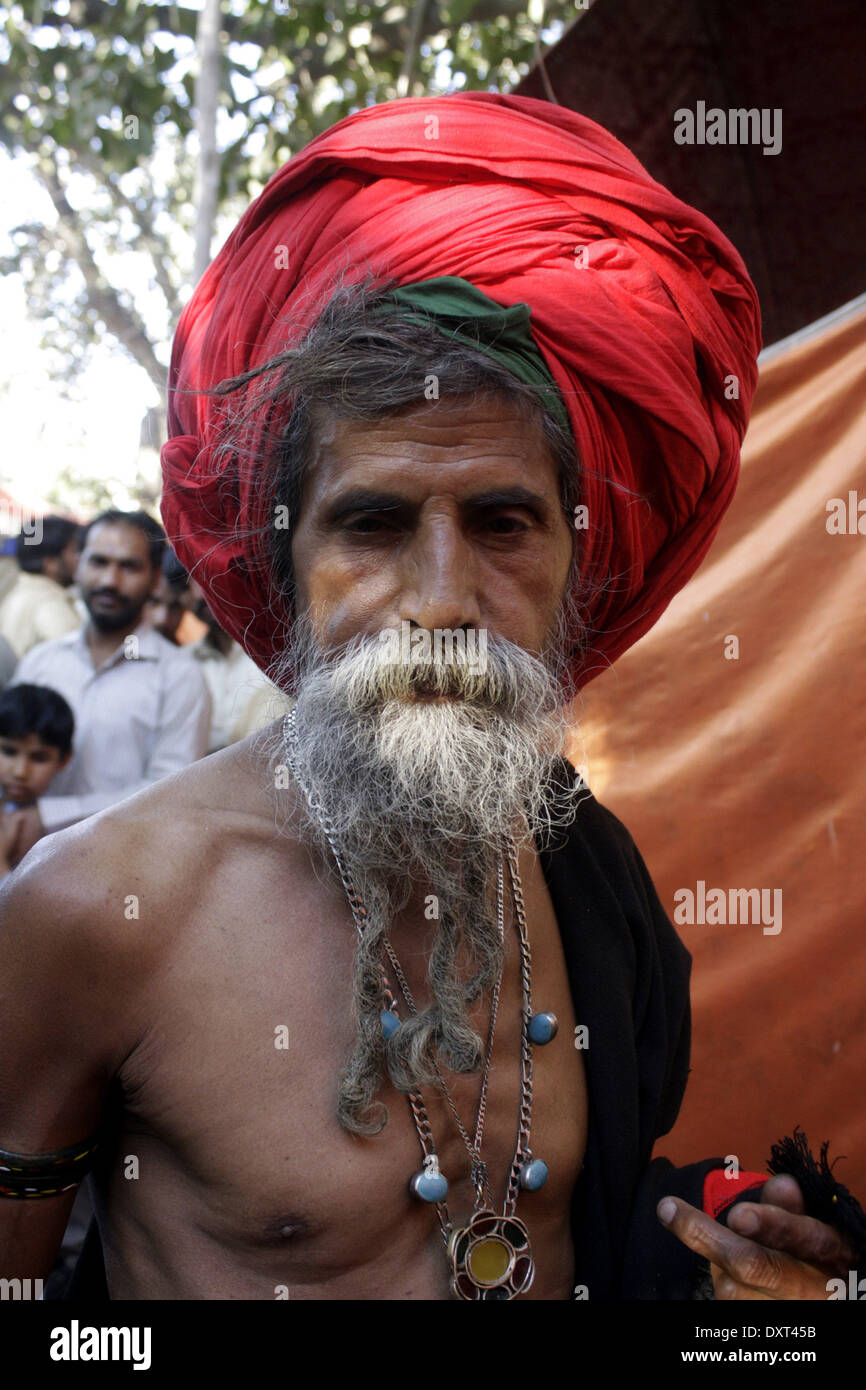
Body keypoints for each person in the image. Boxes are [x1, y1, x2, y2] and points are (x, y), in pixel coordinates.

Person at [0, 94, 861, 1302]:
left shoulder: (587, 870)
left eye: (502, 524)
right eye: (375, 524)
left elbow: (587, 1210)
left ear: (577, 559)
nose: (443, 600)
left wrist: (727, 1268)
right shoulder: (92, 910)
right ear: (285, 561)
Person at [7, 509, 211, 849]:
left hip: (121, 872)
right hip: (20, 861)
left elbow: (167, 791)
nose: (109, 581)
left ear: (155, 577)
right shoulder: (41, 661)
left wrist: (52, 814)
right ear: (78, 565)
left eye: (128, 566)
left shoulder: (179, 678)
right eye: (99, 562)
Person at [151, 551, 289, 752]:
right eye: (186, 585)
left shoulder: (278, 656)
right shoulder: (182, 662)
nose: (198, 594)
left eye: (205, 577)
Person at [0, 684, 74, 884]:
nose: (20, 772)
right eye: (8, 752)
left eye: (39, 758)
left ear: (64, 759)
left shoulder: (64, 835)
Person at [0, 516, 80, 658]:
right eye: (75, 551)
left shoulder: (20, 591)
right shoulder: (51, 604)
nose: (81, 558)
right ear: (51, 563)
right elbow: (74, 664)